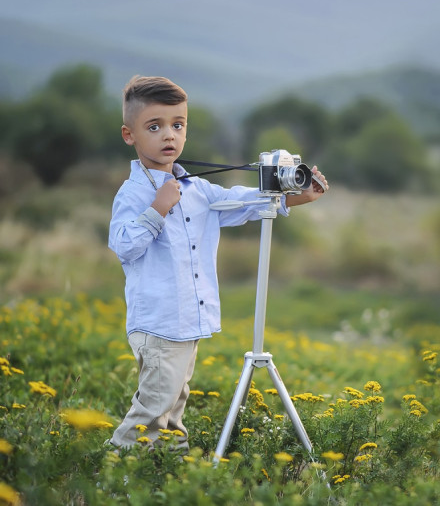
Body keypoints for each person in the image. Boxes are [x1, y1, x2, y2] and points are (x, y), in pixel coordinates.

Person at [108, 75, 328, 449]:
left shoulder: (198, 188)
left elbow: (240, 202)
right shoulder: (134, 192)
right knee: (154, 406)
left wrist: (295, 197)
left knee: (174, 403)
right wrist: (157, 208)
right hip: (160, 322)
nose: (169, 136)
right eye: (155, 127)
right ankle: (113, 470)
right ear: (130, 135)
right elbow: (123, 246)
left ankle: (168, 465)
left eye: (178, 126)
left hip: (187, 320)